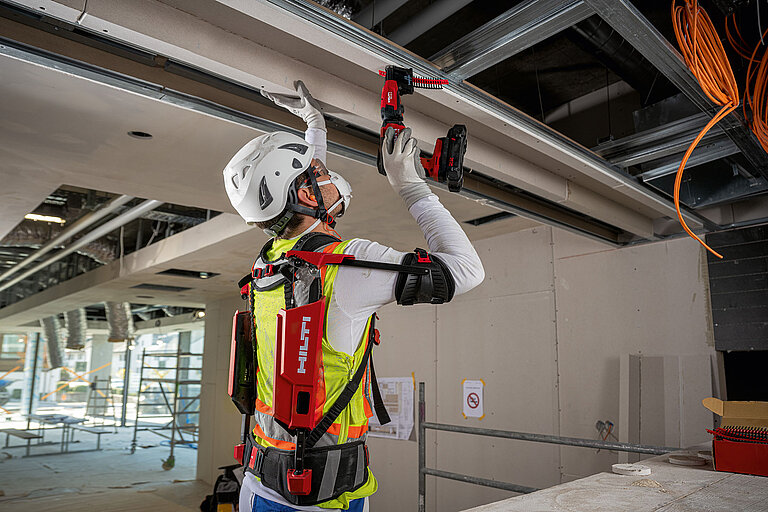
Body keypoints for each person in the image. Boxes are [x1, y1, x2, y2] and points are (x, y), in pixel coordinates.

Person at [223, 81, 485, 512]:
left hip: (261, 482)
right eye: (321, 173)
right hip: (322, 498)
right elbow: (466, 270)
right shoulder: (349, 263)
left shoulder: (266, 266)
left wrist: (315, 126)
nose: (329, 174)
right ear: (307, 193)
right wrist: (411, 185)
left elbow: (307, 213)